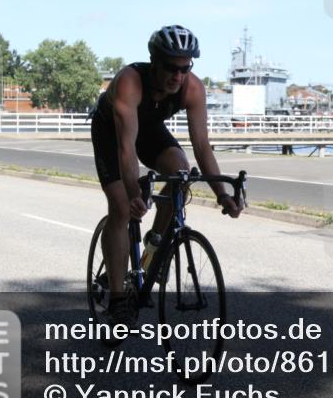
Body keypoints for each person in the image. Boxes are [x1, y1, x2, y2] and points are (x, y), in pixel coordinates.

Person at [90, 25, 242, 334]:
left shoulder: (193, 88)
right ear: (154, 61)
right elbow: (126, 148)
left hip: (148, 129)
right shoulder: (129, 83)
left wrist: (222, 194)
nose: (178, 76)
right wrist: (134, 194)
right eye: (171, 68)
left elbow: (201, 146)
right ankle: (119, 300)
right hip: (113, 133)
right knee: (121, 206)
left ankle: (151, 252)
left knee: (180, 171)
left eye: (185, 68)